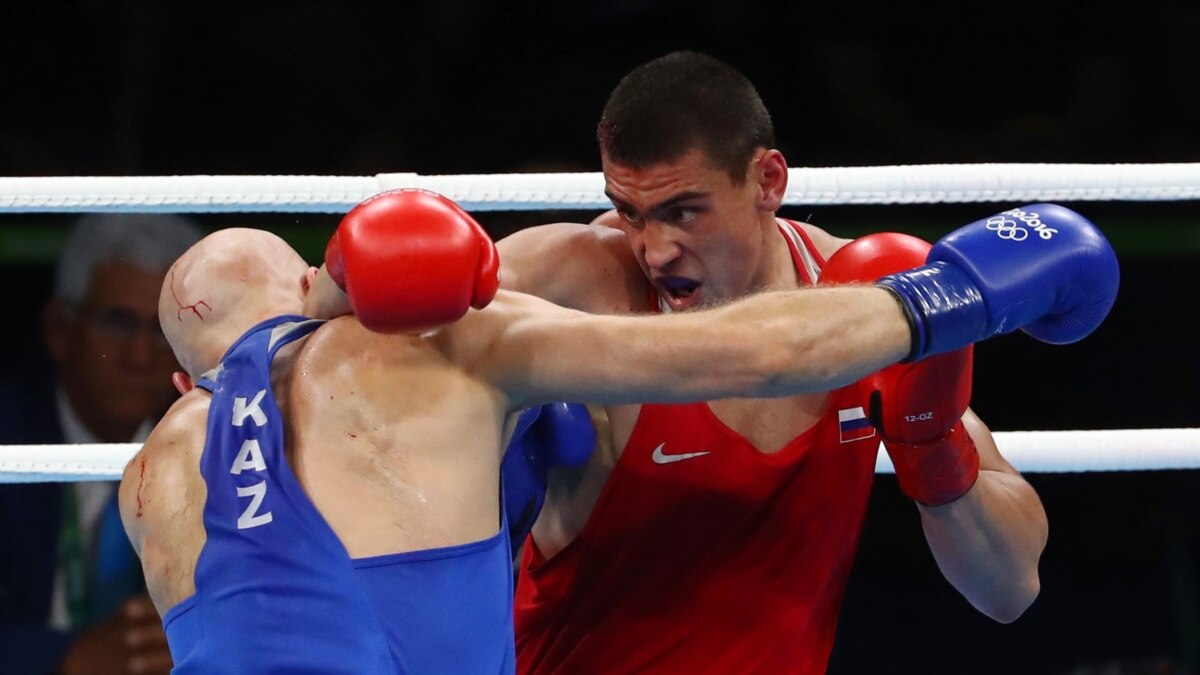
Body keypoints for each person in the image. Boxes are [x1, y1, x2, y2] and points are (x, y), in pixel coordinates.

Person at [132, 186, 1115, 672]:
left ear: (183, 376)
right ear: (313, 284)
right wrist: (950, 292)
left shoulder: (153, 475)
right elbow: (743, 355)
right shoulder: (420, 358)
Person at [493, 51, 1112, 674]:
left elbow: (1010, 589)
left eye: (683, 212)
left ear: (768, 182)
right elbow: (450, 297)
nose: (654, 250)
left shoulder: (862, 301)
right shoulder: (586, 285)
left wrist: (933, 443)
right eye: (632, 213)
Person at [0, 214, 201, 675]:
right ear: (58, 329)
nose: (139, 355)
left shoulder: (220, 443)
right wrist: (61, 660)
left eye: (163, 329)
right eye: (117, 322)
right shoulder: (8, 439)